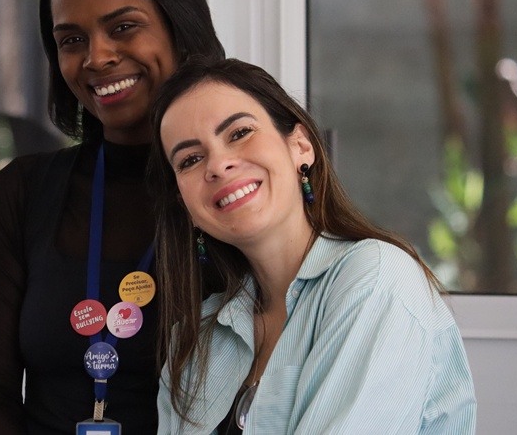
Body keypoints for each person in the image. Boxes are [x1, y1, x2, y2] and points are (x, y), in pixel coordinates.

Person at [0, 0, 224, 435]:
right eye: (71, 39)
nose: (96, 57)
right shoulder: (21, 193)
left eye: (123, 27)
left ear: (179, 24)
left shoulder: (232, 191)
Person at [148, 57, 476, 434]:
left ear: (301, 146)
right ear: (185, 205)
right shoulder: (196, 339)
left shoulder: (376, 278)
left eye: (239, 133)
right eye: (190, 159)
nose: (218, 165)